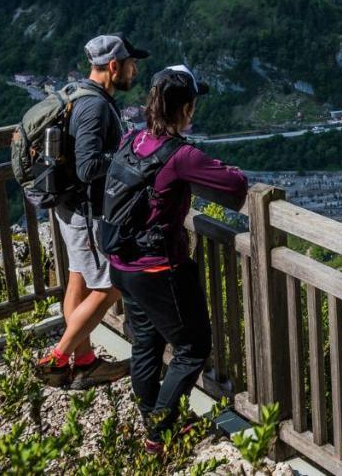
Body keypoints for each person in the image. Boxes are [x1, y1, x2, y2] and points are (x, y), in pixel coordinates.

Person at [108, 65, 248, 452]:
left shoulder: (132, 140)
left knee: (146, 344)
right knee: (192, 348)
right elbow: (236, 185)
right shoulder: (181, 154)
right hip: (158, 268)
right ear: (185, 108)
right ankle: (159, 431)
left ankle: (150, 415)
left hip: (123, 264)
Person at [36, 33, 147, 388]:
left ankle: (84, 362)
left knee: (79, 280)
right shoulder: (96, 106)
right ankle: (56, 358)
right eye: (131, 65)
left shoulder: (76, 94)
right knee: (111, 283)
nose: (135, 71)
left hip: (69, 208)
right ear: (114, 66)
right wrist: (129, 160)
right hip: (87, 212)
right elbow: (87, 167)